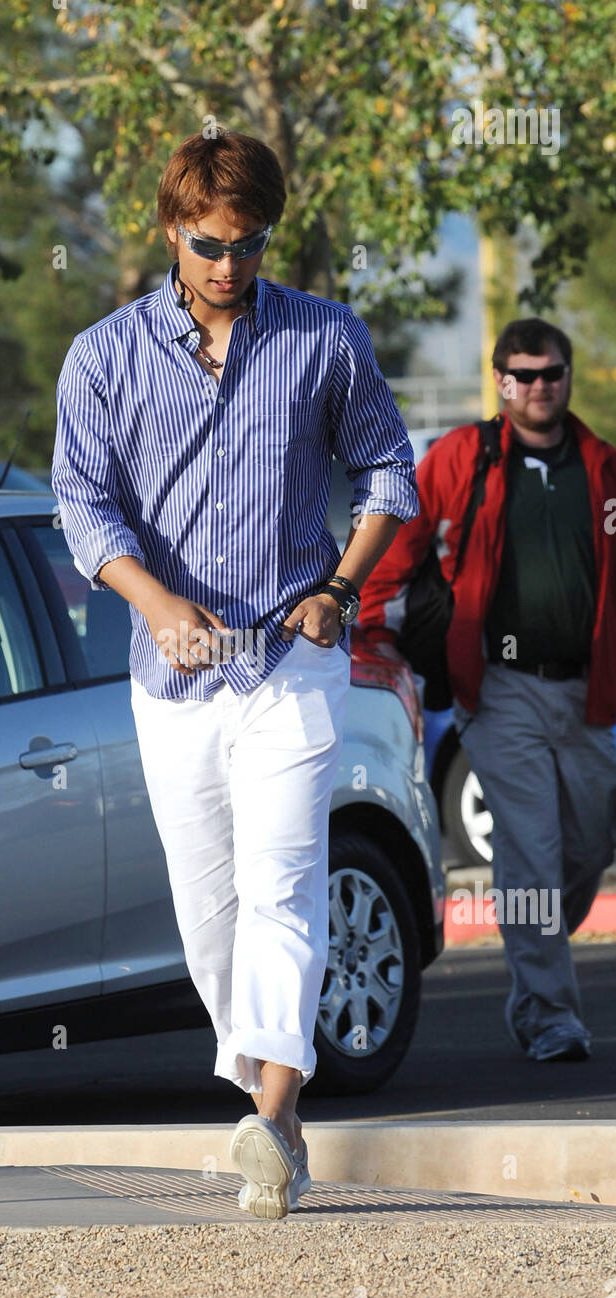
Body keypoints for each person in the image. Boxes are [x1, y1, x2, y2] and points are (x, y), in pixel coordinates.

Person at [51, 129, 418, 1218]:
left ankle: (271, 1110)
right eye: (211, 243)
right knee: (210, 912)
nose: (229, 265)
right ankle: (279, 1114)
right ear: (172, 228)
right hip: (171, 684)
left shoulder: (326, 339)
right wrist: (155, 606)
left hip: (290, 666)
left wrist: (339, 590)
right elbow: (81, 501)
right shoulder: (104, 356)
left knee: (286, 884)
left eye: (250, 244)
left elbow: (389, 470)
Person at [359, 317, 616, 1062]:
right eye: (525, 375)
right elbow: (397, 541)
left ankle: (533, 944)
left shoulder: (600, 467)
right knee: (531, 855)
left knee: (590, 846)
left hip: (588, 693)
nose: (540, 387)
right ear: (501, 382)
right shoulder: (462, 457)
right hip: (498, 690)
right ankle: (548, 1016)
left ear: (568, 378)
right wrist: (370, 630)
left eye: (552, 373)